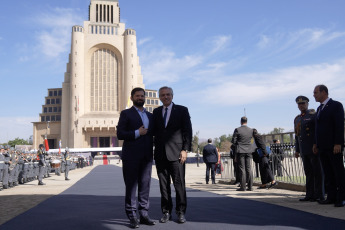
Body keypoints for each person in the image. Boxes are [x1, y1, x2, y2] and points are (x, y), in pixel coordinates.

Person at [152, 86, 192, 224]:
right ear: (159, 97)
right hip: (160, 155)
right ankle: (166, 212)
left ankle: (181, 212)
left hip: (177, 155)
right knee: (164, 186)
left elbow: (187, 131)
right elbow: (153, 132)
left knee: (179, 184)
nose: (165, 97)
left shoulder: (182, 110)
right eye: (163, 95)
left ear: (172, 96)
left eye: (168, 94)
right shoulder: (156, 112)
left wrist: (185, 149)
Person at [117, 87, 155, 228]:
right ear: (132, 98)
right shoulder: (126, 114)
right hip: (131, 156)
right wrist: (137, 132)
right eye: (137, 96)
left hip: (146, 157)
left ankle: (144, 214)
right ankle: (132, 215)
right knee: (131, 187)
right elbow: (120, 134)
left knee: (145, 186)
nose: (140, 98)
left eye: (142, 96)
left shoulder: (151, 116)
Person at [312, 85, 345, 207]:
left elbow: (339, 125)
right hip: (322, 146)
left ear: (324, 92)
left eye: (316, 92)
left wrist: (338, 143)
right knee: (328, 173)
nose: (314, 95)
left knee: (338, 172)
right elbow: (317, 129)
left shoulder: (336, 105)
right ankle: (331, 197)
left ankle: (341, 197)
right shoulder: (320, 108)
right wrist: (315, 143)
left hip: (333, 146)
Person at [294, 95, 324, 202]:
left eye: (303, 103)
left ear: (307, 104)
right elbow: (297, 136)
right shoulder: (297, 118)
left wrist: (316, 144)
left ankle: (319, 194)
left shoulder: (312, 115)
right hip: (304, 150)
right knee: (308, 173)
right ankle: (309, 194)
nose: (301, 105)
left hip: (313, 148)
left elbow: (317, 132)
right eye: (299, 104)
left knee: (317, 172)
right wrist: (297, 150)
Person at [231, 116, 255, 191]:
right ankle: (250, 186)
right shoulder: (251, 130)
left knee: (242, 169)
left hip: (240, 150)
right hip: (249, 150)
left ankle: (243, 187)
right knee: (249, 168)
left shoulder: (237, 130)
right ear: (246, 122)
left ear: (240, 121)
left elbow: (233, 141)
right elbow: (252, 140)